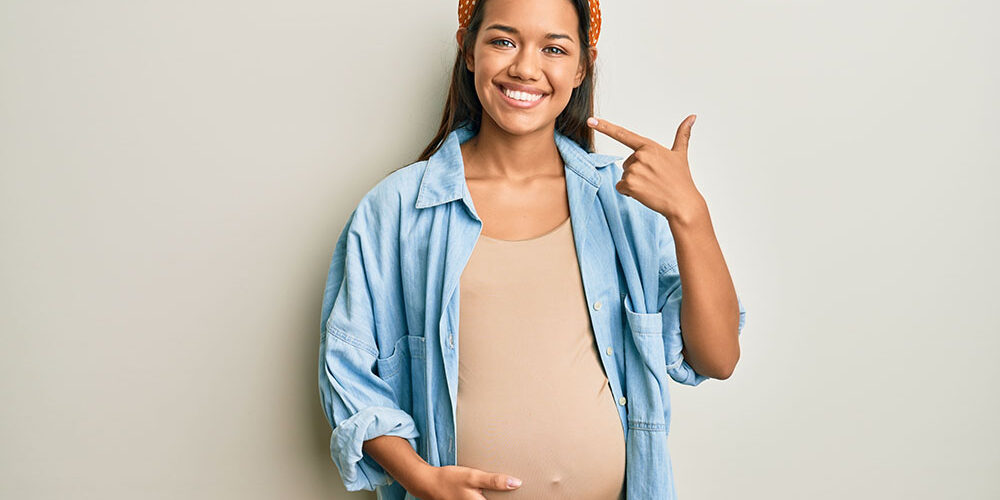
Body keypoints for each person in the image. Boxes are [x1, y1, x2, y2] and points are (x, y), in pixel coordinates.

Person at [318, 0, 747, 498]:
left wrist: (690, 216)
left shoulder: (624, 203)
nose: (525, 67)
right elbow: (347, 372)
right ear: (469, 50)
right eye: (502, 41)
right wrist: (422, 478)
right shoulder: (397, 208)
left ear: (581, 66)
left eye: (554, 48)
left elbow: (717, 359)